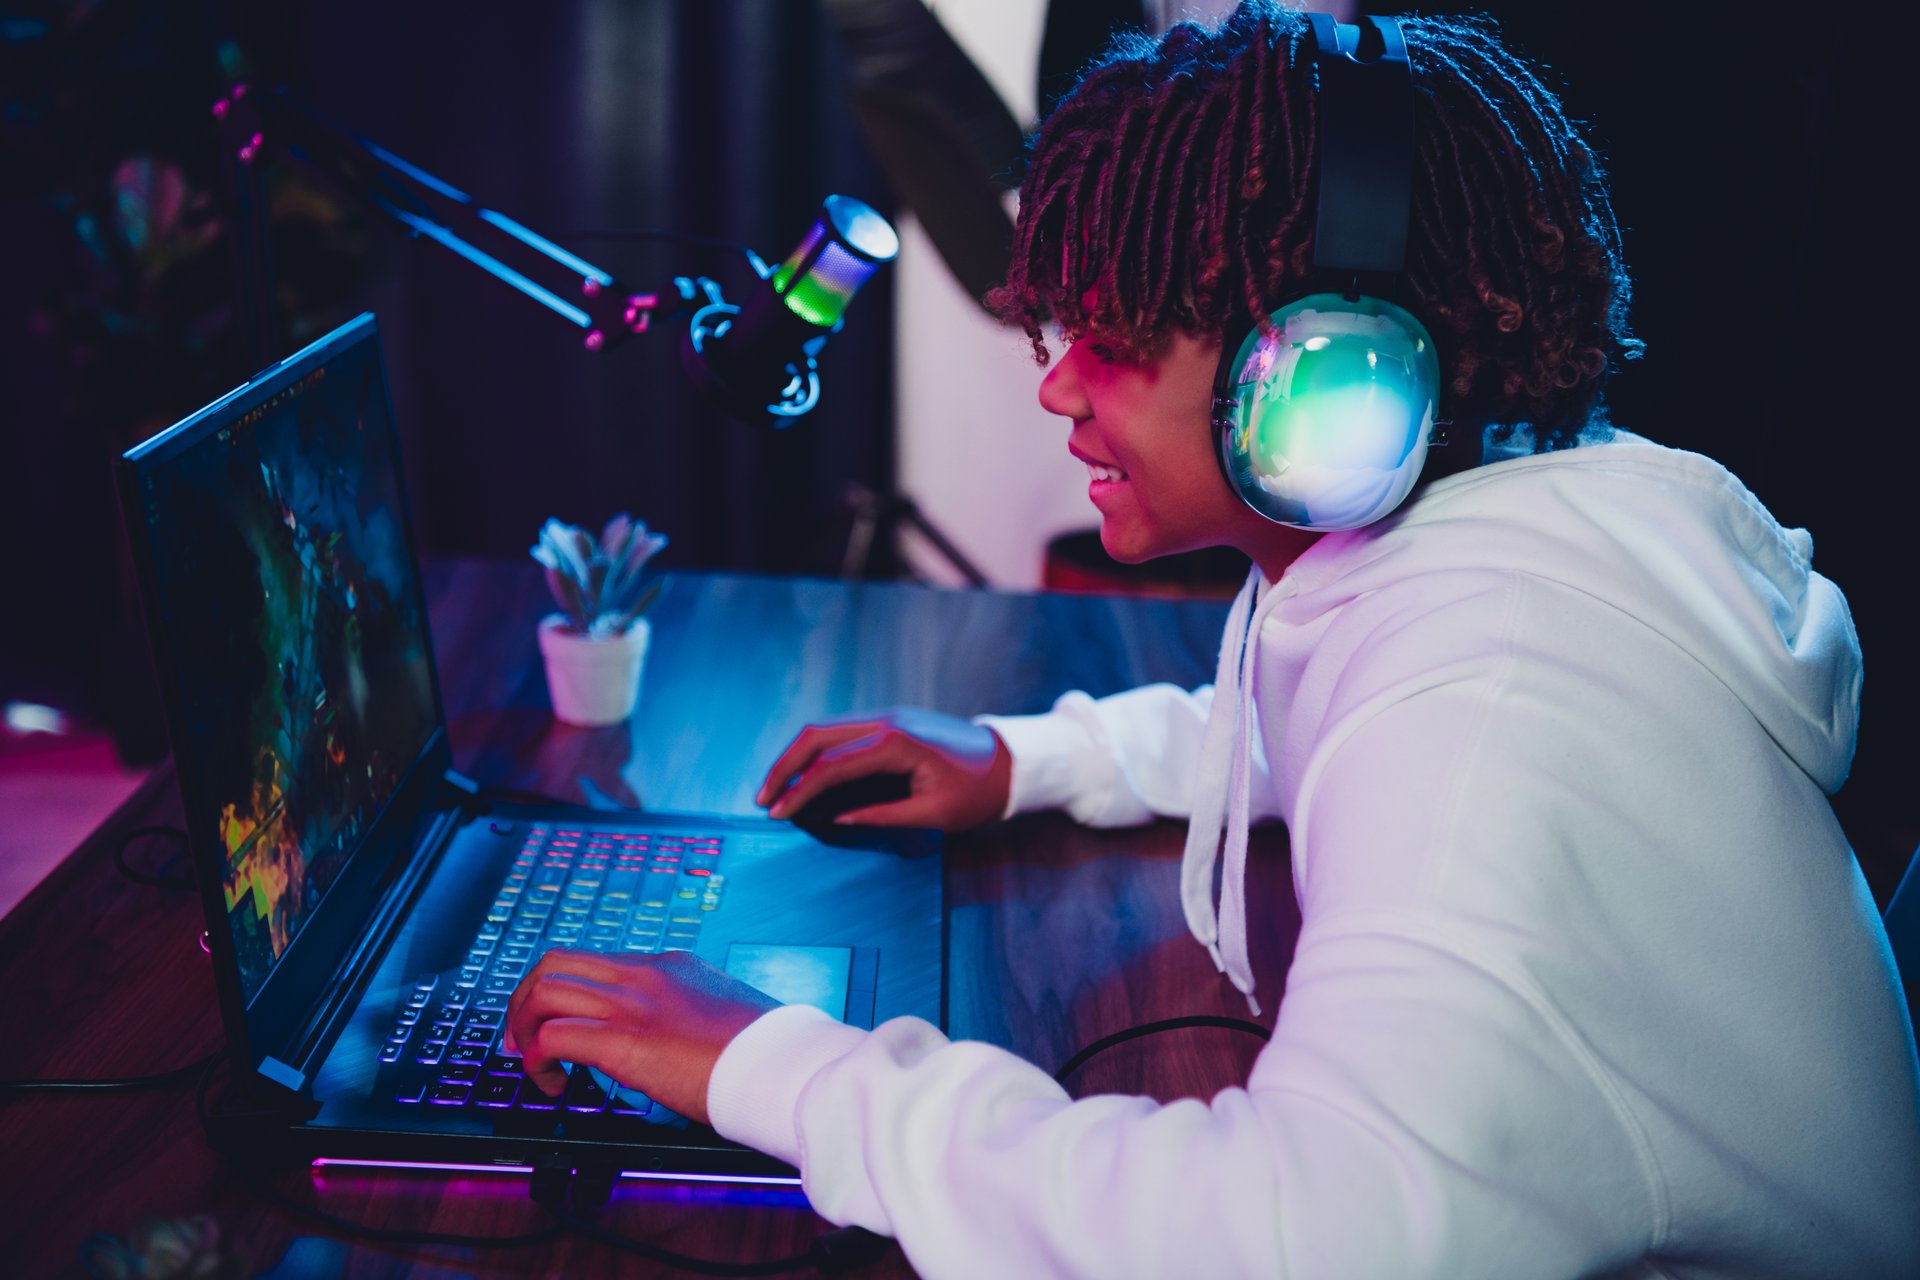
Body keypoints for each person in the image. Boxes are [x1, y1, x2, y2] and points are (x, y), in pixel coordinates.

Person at [505, 5, 1920, 1275]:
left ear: (1336, 387)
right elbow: (1315, 717)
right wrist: (1034, 757)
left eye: (1116, 336)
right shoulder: (1497, 557)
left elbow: (1288, 1241)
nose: (1056, 382)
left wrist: (781, 1067)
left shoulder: (1491, 708)